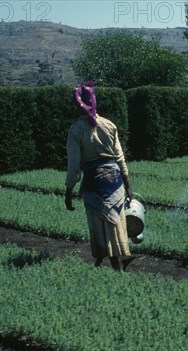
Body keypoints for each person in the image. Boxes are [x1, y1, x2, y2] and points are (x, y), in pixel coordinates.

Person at [65, 81, 134, 270]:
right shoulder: (109, 125)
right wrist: (127, 184)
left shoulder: (76, 130)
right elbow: (120, 157)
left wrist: (69, 190)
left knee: (99, 222)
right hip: (115, 181)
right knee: (116, 220)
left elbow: (74, 165)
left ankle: (114, 263)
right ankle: (114, 257)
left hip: (93, 181)